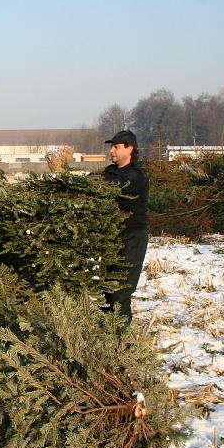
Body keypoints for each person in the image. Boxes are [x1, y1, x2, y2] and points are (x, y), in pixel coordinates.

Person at [99, 130, 149, 320]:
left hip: (132, 237)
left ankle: (121, 334)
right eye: (111, 147)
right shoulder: (109, 172)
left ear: (129, 149)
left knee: (121, 292)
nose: (112, 151)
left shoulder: (137, 175)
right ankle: (105, 332)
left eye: (116, 147)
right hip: (111, 236)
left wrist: (96, 181)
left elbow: (116, 186)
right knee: (107, 291)